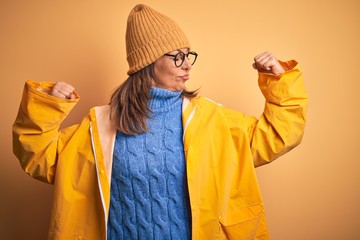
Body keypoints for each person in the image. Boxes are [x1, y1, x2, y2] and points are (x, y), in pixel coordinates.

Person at [12, 3, 308, 240]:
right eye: (177, 57)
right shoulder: (100, 125)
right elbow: (40, 158)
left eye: (188, 55)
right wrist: (48, 104)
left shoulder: (212, 120)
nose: (187, 64)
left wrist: (277, 79)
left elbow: (278, 136)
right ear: (147, 62)